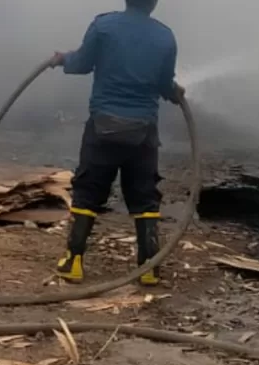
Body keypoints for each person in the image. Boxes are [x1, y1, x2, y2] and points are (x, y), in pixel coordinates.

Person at [50, 0, 183, 286]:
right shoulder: (165, 36)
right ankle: (149, 266)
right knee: (145, 195)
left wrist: (63, 59)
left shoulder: (104, 25)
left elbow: (82, 63)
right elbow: (163, 83)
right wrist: (174, 92)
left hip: (103, 127)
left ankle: (73, 262)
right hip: (143, 132)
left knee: (88, 189)